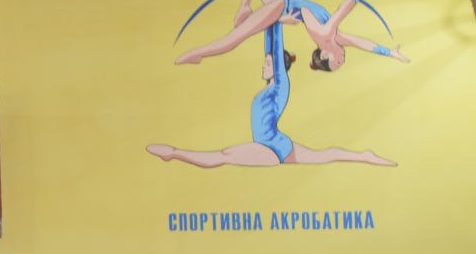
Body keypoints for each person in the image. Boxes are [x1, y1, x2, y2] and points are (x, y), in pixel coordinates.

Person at [148, 21, 394, 168]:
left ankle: (174, 153)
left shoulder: (280, 85)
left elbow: (275, 47)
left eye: (267, 63)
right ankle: (364, 156)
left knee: (223, 156)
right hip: (278, 143)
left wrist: (276, 20)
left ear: (276, 67)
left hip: (270, 148)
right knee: (325, 155)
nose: (263, 66)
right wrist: (268, 22)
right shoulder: (270, 86)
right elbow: (269, 45)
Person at [176, 0, 407, 71]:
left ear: (325, 54)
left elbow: (342, 10)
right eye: (340, 64)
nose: (342, 61)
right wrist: (390, 53)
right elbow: (364, 43)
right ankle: (244, 8)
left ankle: (195, 55)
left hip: (280, 7)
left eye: (337, 63)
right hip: (283, 2)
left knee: (234, 39)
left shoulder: (326, 35)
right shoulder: (335, 38)